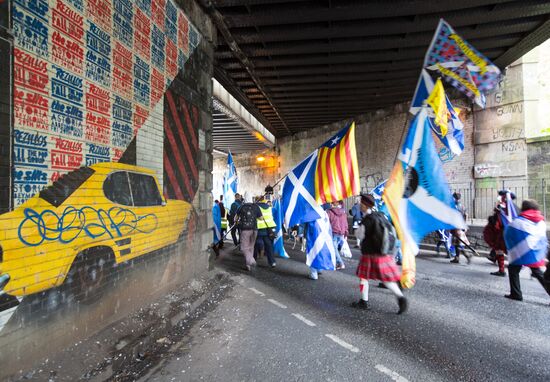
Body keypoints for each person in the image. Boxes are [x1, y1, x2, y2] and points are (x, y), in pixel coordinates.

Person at [352, 194, 408, 314]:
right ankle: (400, 297)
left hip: (370, 254)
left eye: (360, 203)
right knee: (386, 278)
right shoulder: (381, 215)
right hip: (384, 253)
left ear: (364, 205)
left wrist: (357, 230)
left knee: (363, 278)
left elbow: (359, 235)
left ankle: (364, 301)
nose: (359, 205)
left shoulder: (368, 219)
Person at [503, 199, 550, 301]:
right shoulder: (541, 221)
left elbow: (509, 234)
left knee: (513, 269)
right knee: (537, 272)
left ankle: (516, 293)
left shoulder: (518, 221)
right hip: (534, 252)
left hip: (520, 251)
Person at [235, 200, 263, 271]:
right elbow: (261, 218)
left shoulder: (241, 207)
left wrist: (238, 221)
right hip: (254, 229)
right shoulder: (256, 207)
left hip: (245, 230)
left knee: (244, 247)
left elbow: (235, 218)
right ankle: (248, 265)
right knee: (251, 247)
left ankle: (251, 260)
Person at [254, 196, 277, 268]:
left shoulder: (256, 207)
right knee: (269, 246)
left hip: (259, 228)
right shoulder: (269, 207)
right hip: (269, 229)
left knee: (255, 245)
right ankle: (272, 262)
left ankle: (253, 260)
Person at [449, 192, 472, 264]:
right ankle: (457, 258)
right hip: (460, 226)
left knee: (458, 243)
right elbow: (466, 215)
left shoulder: (455, 206)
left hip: (456, 226)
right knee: (457, 243)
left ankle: (467, 255)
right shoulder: (462, 206)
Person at [327, 201, 348, 270]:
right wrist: (346, 232)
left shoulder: (329, 212)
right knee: (336, 249)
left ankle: (340, 263)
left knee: (334, 249)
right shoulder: (343, 213)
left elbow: (327, 223)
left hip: (334, 232)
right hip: (341, 233)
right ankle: (336, 263)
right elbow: (345, 223)